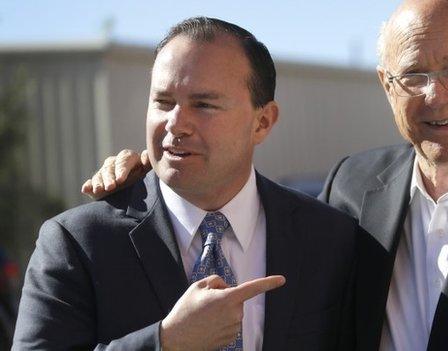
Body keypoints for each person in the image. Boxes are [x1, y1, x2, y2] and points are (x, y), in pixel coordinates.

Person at [82, 1, 448, 350]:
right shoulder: (354, 187)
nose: (436, 94)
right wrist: (157, 168)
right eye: (412, 75)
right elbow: (238, 189)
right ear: (387, 88)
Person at [13, 17, 359, 351]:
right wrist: (167, 342)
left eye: (204, 104)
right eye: (163, 102)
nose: (175, 124)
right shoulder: (77, 244)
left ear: (263, 121)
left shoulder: (327, 237)